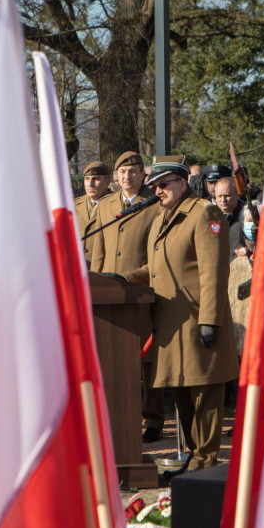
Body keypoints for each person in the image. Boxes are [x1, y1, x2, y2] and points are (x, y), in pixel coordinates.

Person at [119, 155, 238, 471]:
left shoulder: (204, 213)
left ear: (183, 182)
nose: (157, 191)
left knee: (205, 397)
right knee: (184, 396)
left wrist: (210, 320)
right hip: (172, 326)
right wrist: (123, 278)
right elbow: (154, 269)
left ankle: (205, 463)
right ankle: (195, 461)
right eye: (154, 186)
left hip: (198, 321)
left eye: (163, 184)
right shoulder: (160, 219)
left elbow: (213, 271)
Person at [91, 151, 166, 441]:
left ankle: (154, 418)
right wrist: (95, 284)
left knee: (147, 361)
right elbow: (98, 249)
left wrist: (135, 278)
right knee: (112, 357)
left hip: (141, 291)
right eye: (122, 172)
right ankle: (118, 416)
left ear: (142, 175)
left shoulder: (154, 204)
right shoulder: (107, 204)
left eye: (133, 171)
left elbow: (157, 252)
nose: (127, 177)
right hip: (109, 295)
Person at [74, 160, 111, 267]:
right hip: (78, 268)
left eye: (96, 179)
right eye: (87, 179)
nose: (90, 184)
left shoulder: (115, 205)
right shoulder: (75, 205)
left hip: (103, 270)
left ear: (107, 182)